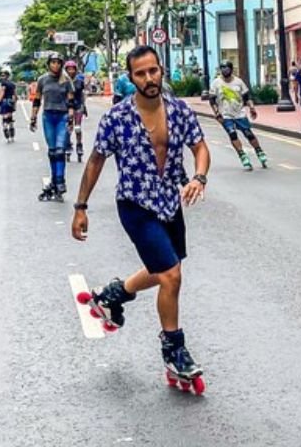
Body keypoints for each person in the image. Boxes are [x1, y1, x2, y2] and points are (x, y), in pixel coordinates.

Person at [73, 46, 211, 393]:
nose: (149, 79)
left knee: (164, 267)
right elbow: (96, 160)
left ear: (161, 70)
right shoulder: (117, 117)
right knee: (171, 275)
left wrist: (199, 177)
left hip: (169, 203)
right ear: (130, 77)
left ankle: (111, 296)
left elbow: (199, 147)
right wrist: (80, 206)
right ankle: (174, 351)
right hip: (135, 204)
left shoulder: (179, 110)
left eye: (153, 71)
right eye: (140, 73)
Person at [208, 61, 267, 171]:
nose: (224, 71)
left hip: (239, 113)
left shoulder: (238, 82)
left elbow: (247, 97)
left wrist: (252, 108)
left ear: (231, 69)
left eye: (226, 69)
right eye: (222, 69)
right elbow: (212, 100)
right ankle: (242, 155)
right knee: (232, 134)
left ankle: (259, 151)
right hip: (225, 114)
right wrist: (216, 113)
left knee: (248, 133)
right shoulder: (216, 83)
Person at [30, 53, 75, 200]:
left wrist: (70, 118)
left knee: (60, 151)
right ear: (49, 64)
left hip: (62, 117)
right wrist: (33, 117)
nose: (55, 65)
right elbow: (37, 100)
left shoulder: (66, 80)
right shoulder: (42, 80)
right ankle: (54, 181)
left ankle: (60, 181)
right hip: (48, 117)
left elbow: (71, 102)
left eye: (58, 62)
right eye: (53, 62)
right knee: (52, 151)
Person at [65, 60, 88, 162]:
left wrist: (84, 106)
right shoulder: (63, 81)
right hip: (66, 107)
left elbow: (82, 94)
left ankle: (79, 145)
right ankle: (68, 144)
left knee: (77, 128)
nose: (71, 71)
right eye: (69, 69)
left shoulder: (79, 82)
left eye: (72, 69)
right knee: (68, 128)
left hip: (78, 106)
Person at [0, 68, 18, 143]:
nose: (2, 77)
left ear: (7, 76)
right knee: (10, 118)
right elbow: (15, 95)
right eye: (1, 75)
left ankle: (6, 132)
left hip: (5, 101)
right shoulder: (12, 84)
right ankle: (12, 135)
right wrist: (14, 102)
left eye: (3, 75)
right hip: (11, 101)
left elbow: (2, 92)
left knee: (5, 118)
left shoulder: (3, 84)